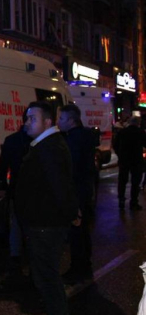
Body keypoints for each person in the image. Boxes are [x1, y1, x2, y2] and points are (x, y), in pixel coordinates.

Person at [15, 101, 78, 315]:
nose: (27, 123)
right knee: (45, 276)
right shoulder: (45, 145)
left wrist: (71, 213)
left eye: (32, 119)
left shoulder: (49, 148)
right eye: (27, 118)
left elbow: (60, 186)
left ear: (48, 122)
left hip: (45, 224)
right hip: (42, 223)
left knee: (47, 278)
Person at [57, 104, 98, 284]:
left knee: (77, 232)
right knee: (83, 231)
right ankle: (84, 265)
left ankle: (78, 268)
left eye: (61, 118)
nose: (58, 122)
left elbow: (71, 168)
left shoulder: (73, 140)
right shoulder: (85, 136)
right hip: (85, 189)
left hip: (76, 192)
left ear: (71, 121)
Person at [0, 110, 32, 291]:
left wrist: (2, 186)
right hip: (32, 192)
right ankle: (30, 255)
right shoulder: (37, 141)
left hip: (16, 189)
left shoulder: (11, 140)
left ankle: (15, 255)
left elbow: (4, 166)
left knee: (16, 223)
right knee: (29, 225)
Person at [113, 115, 146, 210]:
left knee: (122, 180)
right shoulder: (140, 132)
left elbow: (115, 145)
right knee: (135, 182)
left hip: (124, 159)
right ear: (138, 123)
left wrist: (119, 154)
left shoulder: (122, 132)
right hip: (136, 160)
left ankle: (121, 200)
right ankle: (133, 202)